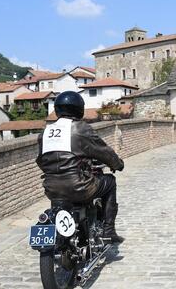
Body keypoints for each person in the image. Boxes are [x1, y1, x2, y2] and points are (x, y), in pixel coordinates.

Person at [36, 91, 124, 243]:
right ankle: (108, 230)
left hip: (51, 189)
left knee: (59, 199)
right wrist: (117, 164)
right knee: (110, 181)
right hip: (80, 187)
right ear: (79, 109)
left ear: (57, 109)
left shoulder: (45, 133)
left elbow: (41, 161)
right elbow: (103, 151)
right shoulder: (80, 129)